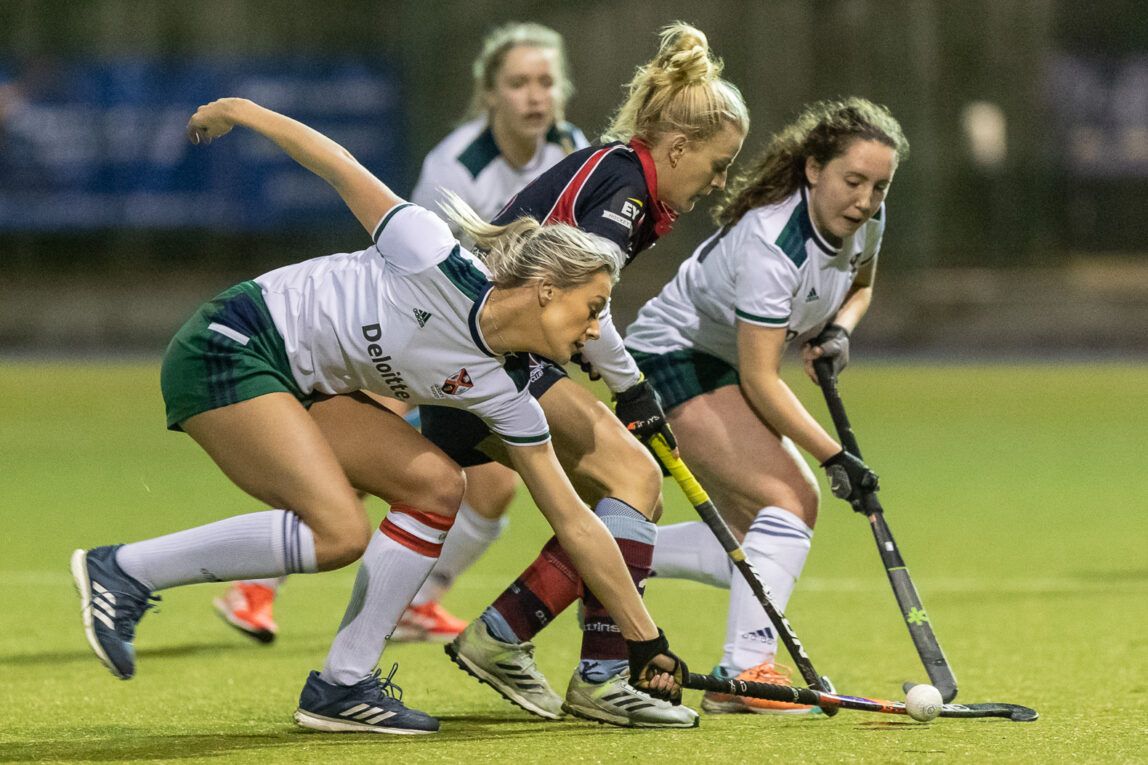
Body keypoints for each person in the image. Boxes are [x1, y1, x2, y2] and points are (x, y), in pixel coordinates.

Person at [71, 96, 686, 734]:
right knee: (338, 532)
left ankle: (341, 685)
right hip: (236, 341)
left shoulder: (506, 393)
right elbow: (336, 164)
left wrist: (644, 641)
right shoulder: (433, 256)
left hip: (313, 385)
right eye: (593, 308)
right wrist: (240, 110)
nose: (595, 331)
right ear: (546, 290)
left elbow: (578, 525)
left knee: (437, 486)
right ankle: (125, 570)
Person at [400, 22, 747, 728]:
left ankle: (557, 656)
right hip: (486, 359)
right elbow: (590, 301)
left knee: (625, 500)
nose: (717, 182)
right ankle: (551, 654)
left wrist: (618, 379)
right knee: (638, 479)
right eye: (716, 164)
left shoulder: (623, 177)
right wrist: (634, 390)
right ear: (676, 149)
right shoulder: (624, 192)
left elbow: (579, 308)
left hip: (481, 360)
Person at [213, 20, 590, 647]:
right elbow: (416, 261)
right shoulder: (455, 163)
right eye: (519, 82)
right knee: (359, 458)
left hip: (492, 345)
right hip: (420, 328)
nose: (534, 96)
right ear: (489, 93)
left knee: (494, 482)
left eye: (545, 83)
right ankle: (256, 585)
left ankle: (422, 600)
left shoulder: (571, 147)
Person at [624, 97, 908, 714]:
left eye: (878, 187)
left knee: (765, 536)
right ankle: (747, 670)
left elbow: (860, 286)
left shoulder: (867, 221)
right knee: (791, 500)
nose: (864, 200)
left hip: (724, 362)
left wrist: (838, 331)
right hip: (673, 355)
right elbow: (760, 379)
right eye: (852, 181)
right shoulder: (771, 244)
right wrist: (836, 456)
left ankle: (609, 550)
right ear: (813, 170)